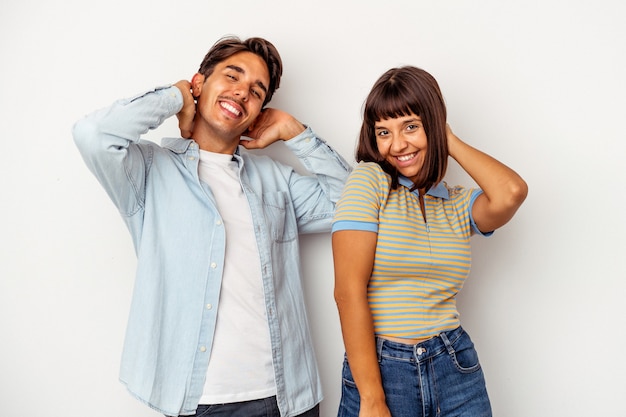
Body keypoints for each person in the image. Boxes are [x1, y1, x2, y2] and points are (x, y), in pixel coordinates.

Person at [72, 36, 351, 417]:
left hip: (290, 398)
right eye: (232, 76)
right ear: (200, 84)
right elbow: (93, 134)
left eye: (257, 91)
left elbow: (354, 206)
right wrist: (176, 96)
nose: (242, 92)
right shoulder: (149, 171)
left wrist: (293, 130)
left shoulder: (276, 181)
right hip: (204, 402)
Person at [331, 66, 528, 417]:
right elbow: (348, 291)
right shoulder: (370, 180)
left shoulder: (456, 203)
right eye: (383, 132)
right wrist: (373, 399)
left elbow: (511, 192)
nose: (398, 144)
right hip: (383, 370)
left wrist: (446, 139)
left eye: (410, 126)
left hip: (454, 366)